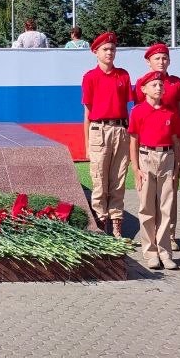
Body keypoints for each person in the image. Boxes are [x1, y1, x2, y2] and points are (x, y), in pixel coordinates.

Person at [129, 71, 180, 270]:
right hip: (146, 158)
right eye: (154, 85)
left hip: (167, 158)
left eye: (161, 85)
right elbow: (133, 141)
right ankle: (150, 252)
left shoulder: (170, 112)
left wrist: (176, 166)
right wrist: (136, 169)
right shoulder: (138, 111)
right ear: (143, 89)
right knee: (146, 208)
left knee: (165, 208)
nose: (159, 88)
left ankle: (165, 252)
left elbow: (176, 141)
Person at [80, 32, 132, 236]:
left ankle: (117, 222)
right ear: (96, 52)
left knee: (118, 178)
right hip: (99, 130)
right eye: (105, 49)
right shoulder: (90, 77)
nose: (109, 53)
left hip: (120, 130)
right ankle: (101, 222)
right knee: (99, 179)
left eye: (112, 49)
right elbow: (87, 113)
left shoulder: (123, 75)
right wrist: (86, 144)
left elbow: (129, 105)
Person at [140, 44, 180, 248]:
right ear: (149, 61)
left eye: (164, 58)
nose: (161, 62)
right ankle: (150, 240)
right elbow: (141, 113)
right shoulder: (143, 83)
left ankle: (170, 234)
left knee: (169, 193)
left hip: (171, 141)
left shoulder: (176, 83)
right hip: (149, 148)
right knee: (149, 197)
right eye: (157, 58)